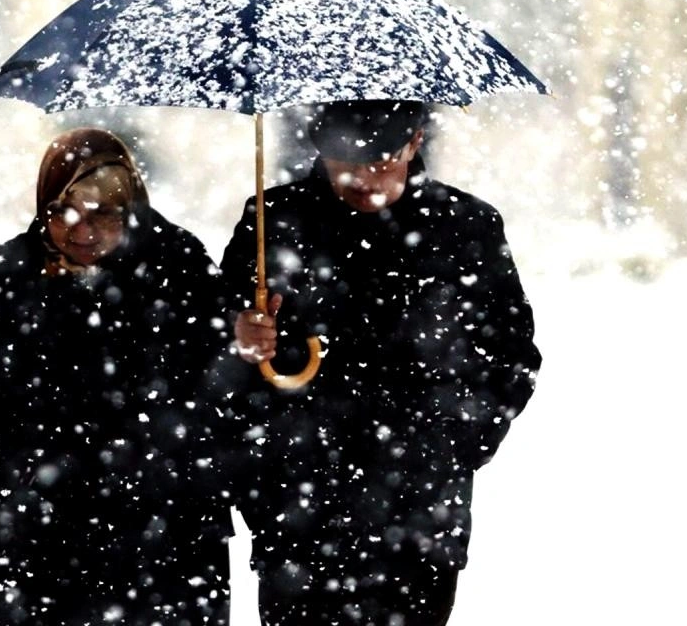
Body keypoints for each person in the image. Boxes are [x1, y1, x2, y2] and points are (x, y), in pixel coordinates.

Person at [0, 129, 234, 626]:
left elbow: (221, 382)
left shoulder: (176, 268)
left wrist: (249, 347)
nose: (81, 232)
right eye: (63, 213)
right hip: (31, 526)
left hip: (159, 533)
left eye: (103, 215)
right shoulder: (8, 273)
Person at [221, 100, 542, 625]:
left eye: (382, 158)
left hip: (418, 512)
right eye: (344, 159)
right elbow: (215, 356)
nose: (362, 176)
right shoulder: (274, 221)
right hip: (300, 510)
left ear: (415, 142)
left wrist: (453, 448)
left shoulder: (464, 227)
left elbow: (511, 356)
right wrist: (241, 338)